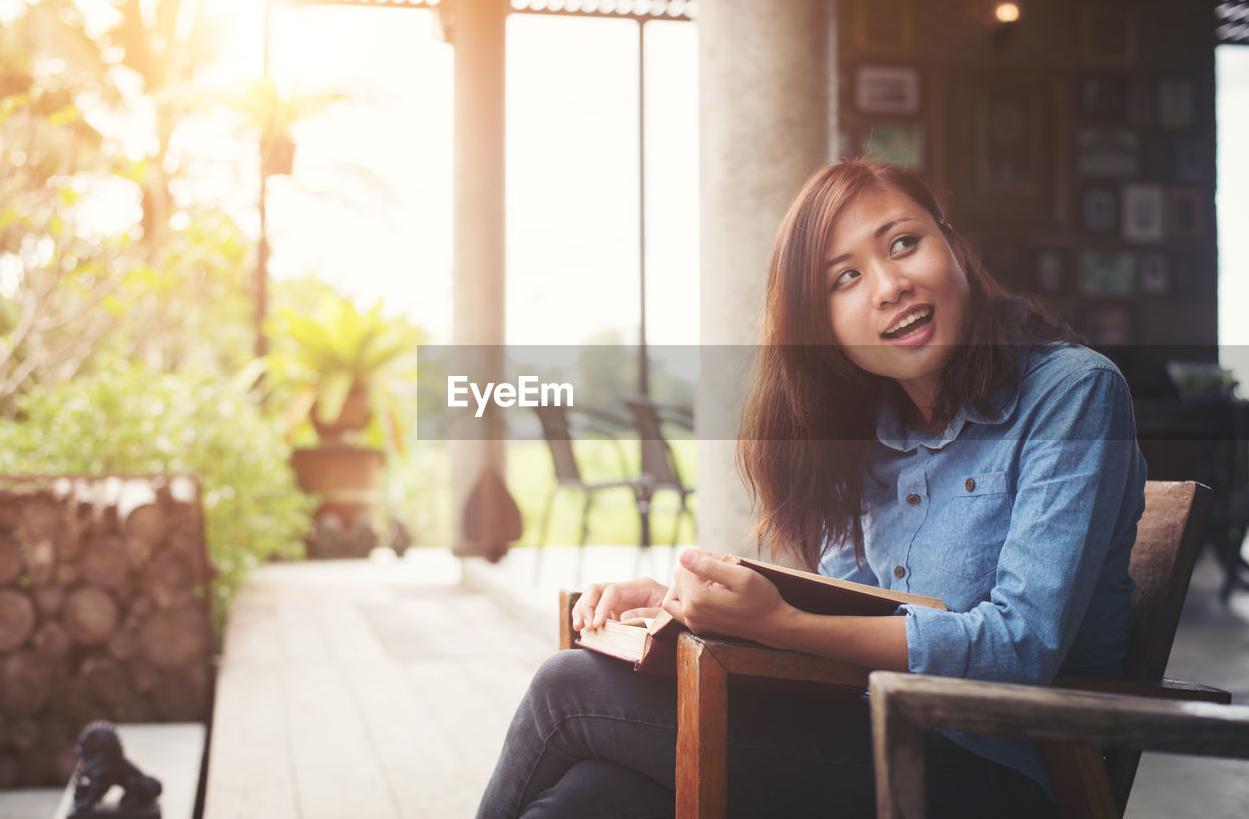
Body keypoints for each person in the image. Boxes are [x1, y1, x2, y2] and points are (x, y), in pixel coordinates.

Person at [476, 157, 1147, 818]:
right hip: (872, 740)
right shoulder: (870, 430)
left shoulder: (1073, 392)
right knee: (591, 797)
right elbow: (847, 620)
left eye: (904, 244)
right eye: (846, 278)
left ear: (954, 246)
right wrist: (686, 610)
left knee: (571, 691)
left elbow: (1020, 645)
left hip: (1003, 774)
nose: (888, 286)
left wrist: (781, 624)